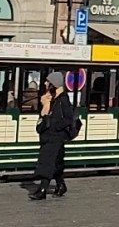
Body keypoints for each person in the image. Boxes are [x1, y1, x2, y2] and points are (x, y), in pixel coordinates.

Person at [30, 72, 75, 200]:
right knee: (56, 163)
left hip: (56, 137)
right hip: (47, 136)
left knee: (47, 162)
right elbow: (44, 118)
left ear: (53, 84)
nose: (45, 83)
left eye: (48, 81)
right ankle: (61, 185)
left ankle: (42, 190)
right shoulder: (49, 99)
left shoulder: (63, 99)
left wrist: (54, 127)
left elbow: (68, 118)